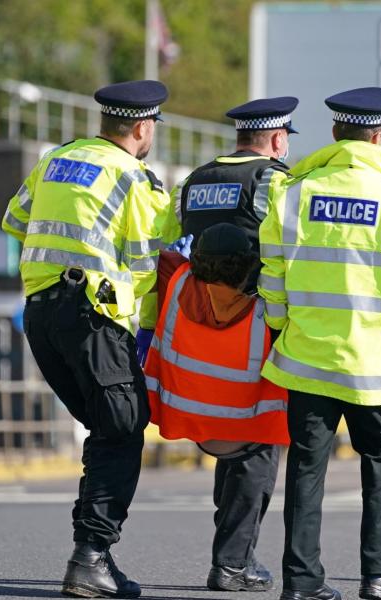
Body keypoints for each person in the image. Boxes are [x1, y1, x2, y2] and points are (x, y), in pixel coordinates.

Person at [258, 87, 381, 600]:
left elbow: (271, 275)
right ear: (380, 137)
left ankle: (301, 581)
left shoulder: (293, 192)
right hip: (368, 364)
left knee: (306, 467)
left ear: (336, 133)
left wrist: (281, 328)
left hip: (306, 359)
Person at [1, 80, 179, 599]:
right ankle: (90, 557)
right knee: (122, 428)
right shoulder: (134, 177)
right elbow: (146, 264)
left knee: (107, 430)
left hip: (40, 312)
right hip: (95, 316)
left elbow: (14, 220)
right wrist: (143, 327)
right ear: (143, 128)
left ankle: (95, 557)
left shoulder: (55, 159)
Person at [142, 98, 298, 593]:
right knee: (258, 440)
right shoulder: (276, 182)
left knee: (230, 439)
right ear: (277, 140)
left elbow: (167, 245)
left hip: (194, 323)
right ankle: (232, 563)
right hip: (256, 325)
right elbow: (293, 250)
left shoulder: (195, 182)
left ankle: (231, 557)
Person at [143, 224, 290, 582]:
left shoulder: (176, 280)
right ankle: (232, 565)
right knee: (252, 478)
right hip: (249, 423)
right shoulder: (266, 305)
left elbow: (157, 254)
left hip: (194, 417)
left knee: (233, 478)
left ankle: (235, 557)